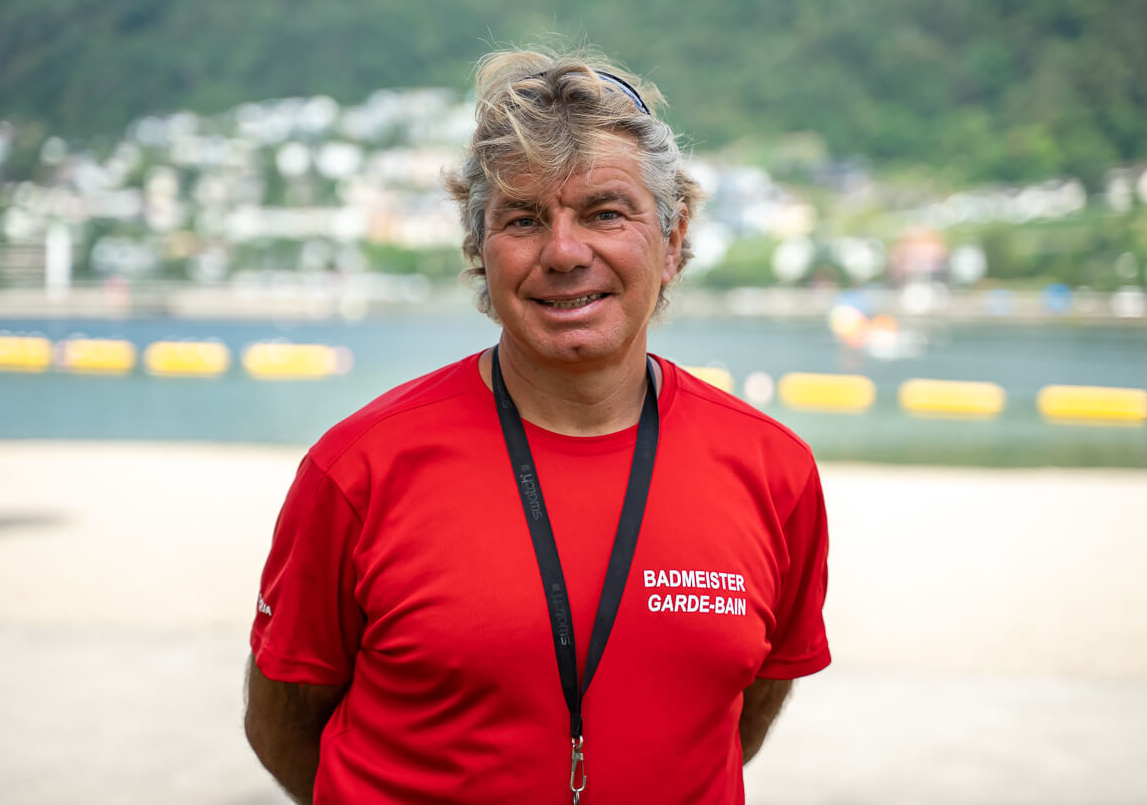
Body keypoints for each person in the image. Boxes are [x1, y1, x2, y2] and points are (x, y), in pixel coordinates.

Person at [244, 48, 831, 805]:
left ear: (674, 236)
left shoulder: (773, 470)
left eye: (605, 214)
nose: (563, 252)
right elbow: (285, 723)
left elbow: (741, 708)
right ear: (477, 250)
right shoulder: (359, 469)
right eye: (523, 219)